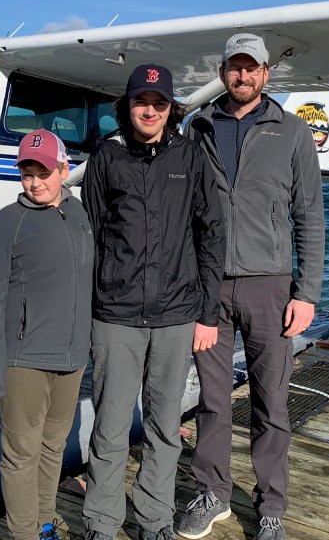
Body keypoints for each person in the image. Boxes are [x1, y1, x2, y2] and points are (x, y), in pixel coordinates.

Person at [177, 34, 325, 540]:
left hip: (270, 288)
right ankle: (212, 493)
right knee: (214, 399)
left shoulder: (292, 132)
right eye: (234, 68)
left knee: (271, 402)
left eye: (252, 68)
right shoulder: (196, 127)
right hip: (209, 288)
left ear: (266, 74)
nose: (242, 76)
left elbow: (310, 217)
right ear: (223, 72)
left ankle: (271, 507)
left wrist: (306, 294)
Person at [81, 64, 225, 540]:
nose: (149, 110)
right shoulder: (106, 157)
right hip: (115, 316)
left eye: (159, 102)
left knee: (165, 428)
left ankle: (155, 520)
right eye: (141, 101)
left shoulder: (192, 155)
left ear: (170, 109)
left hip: (176, 315)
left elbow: (211, 236)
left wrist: (207, 314)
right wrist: (88, 309)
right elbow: (92, 237)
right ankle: (102, 523)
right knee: (110, 426)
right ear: (127, 107)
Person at [0, 129, 95, 540]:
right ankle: (25, 534)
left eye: (43, 171)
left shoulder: (79, 214)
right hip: (23, 361)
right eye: (27, 172)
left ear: (64, 170)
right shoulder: (10, 220)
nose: (34, 182)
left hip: (72, 359)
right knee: (21, 456)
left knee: (52, 447)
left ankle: (45, 524)